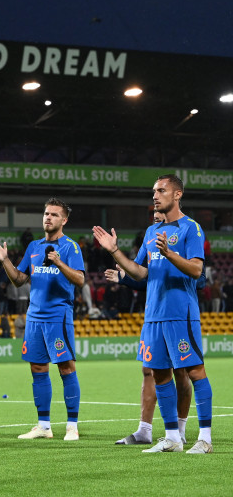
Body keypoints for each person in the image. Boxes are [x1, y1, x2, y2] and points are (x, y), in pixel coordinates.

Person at [93, 174, 213, 454]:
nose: (155, 196)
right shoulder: (150, 232)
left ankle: (204, 439)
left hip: (180, 313)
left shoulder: (191, 228)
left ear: (177, 194)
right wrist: (114, 252)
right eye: (154, 191)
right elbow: (140, 272)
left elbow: (197, 270)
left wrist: (170, 254)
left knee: (195, 372)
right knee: (159, 374)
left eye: (162, 190)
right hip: (154, 316)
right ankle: (172, 437)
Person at [0, 197, 85, 441]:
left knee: (66, 367)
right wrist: (4, 260)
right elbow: (20, 279)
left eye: (54, 214)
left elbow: (80, 280)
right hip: (34, 317)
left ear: (64, 220)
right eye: (46, 214)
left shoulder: (70, 247)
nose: (48, 218)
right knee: (37, 368)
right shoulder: (34, 247)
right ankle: (44, 425)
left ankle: (72, 426)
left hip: (58, 316)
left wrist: (59, 263)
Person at [105, 258, 197, 445]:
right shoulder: (151, 238)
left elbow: (199, 278)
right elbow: (148, 278)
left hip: (179, 314)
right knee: (149, 369)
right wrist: (125, 278)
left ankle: (180, 430)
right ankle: (144, 430)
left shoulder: (187, 233)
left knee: (180, 371)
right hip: (154, 312)